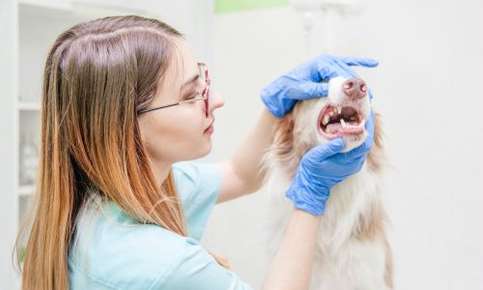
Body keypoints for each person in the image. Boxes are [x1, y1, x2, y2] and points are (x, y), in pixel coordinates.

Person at [16, 15, 378, 290]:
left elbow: (240, 174)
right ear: (127, 129)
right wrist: (312, 193)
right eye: (191, 95)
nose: (215, 100)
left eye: (204, 81)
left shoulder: (115, 197)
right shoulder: (159, 264)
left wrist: (275, 105)